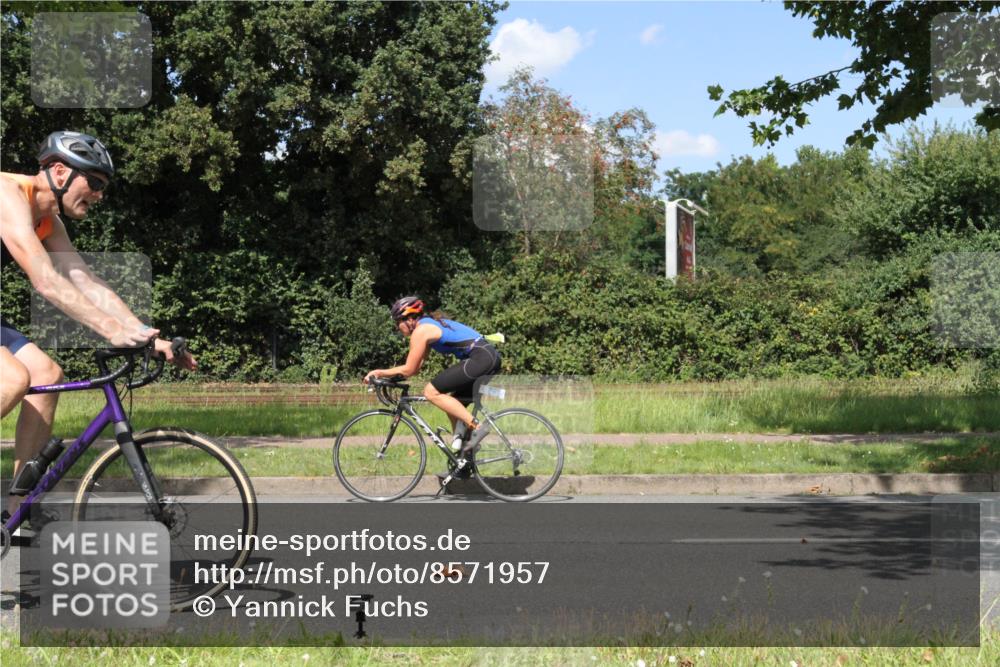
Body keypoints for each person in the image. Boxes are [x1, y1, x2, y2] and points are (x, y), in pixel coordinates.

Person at [1, 130, 196, 519]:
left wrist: (144, 336)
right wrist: (110, 330)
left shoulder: (48, 221)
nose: (99, 194)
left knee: (46, 374)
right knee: (13, 378)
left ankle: (17, 512)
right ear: (59, 172)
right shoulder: (7, 194)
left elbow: (85, 282)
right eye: (94, 182)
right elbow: (46, 280)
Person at [364, 296, 500, 453]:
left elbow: (408, 369)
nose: (397, 328)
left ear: (408, 318)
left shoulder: (422, 330)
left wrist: (379, 372)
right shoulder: (427, 326)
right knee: (453, 404)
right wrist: (389, 377)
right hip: (487, 357)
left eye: (397, 323)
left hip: (481, 358)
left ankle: (478, 427)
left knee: (431, 392)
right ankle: (464, 457)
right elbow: (415, 369)